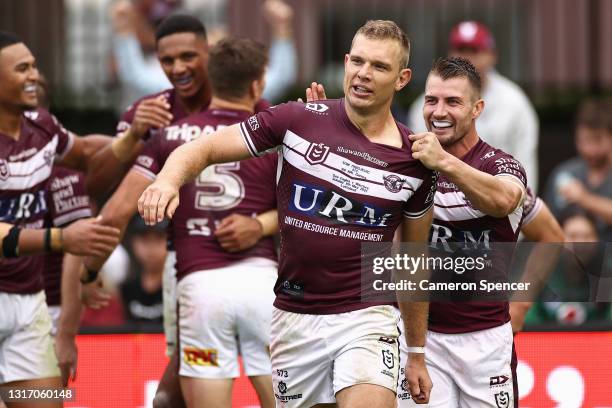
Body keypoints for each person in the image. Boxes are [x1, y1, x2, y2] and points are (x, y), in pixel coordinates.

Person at [139, 20, 435, 408]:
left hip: (368, 315)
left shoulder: (414, 161)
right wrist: (166, 181)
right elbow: (205, 148)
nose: (364, 74)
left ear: (402, 78)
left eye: (379, 66)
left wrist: (416, 351)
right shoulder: (297, 119)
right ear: (345, 62)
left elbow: (413, 262)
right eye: (357, 61)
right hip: (295, 317)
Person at [85, 37, 279, 408]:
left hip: (200, 292)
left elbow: (114, 213)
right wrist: (260, 226)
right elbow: (309, 213)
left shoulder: (169, 137)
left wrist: (88, 272)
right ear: (257, 85)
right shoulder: (275, 135)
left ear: (212, 78)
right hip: (262, 289)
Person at [0, 29, 148, 404]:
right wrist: (61, 239)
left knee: (51, 400)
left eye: (34, 66)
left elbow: (84, 152)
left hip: (28, 302)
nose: (35, 75)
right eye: (22, 69)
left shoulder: (42, 126)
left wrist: (138, 141)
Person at [397, 57, 526, 407]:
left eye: (453, 102)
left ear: (476, 108)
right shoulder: (405, 161)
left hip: (486, 343)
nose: (439, 111)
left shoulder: (500, 164)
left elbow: (504, 200)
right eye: (431, 100)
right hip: (423, 343)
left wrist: (444, 163)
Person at [407, 20, 539, 191]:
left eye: (475, 50)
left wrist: (523, 202)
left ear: (492, 55)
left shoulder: (515, 102)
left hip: (497, 198)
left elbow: (525, 162)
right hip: (438, 201)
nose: (466, 57)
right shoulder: (423, 105)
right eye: (461, 50)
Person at [544, 98, 612, 243]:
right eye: (584, 141)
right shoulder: (564, 172)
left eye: (597, 140)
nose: (590, 149)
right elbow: (547, 227)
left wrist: (584, 199)